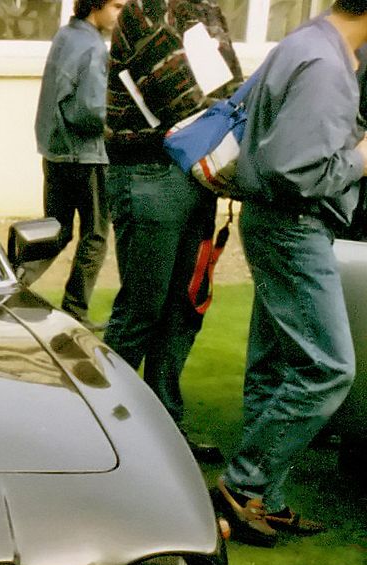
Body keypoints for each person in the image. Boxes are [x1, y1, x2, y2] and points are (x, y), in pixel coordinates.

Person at [214, 2, 367, 544]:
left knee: (277, 365)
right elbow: (294, 169)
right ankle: (243, 484)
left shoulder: (307, 41)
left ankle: (264, 497)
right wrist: (363, 157)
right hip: (293, 226)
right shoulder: (325, 62)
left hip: (279, 223)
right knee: (328, 369)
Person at [103, 0, 243, 461]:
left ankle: (165, 429)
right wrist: (238, 123)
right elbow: (184, 88)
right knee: (143, 307)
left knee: (183, 308)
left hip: (195, 171)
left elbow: (230, 83)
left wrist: (236, 113)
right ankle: (105, 428)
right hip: (151, 170)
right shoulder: (145, 11)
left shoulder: (204, 10)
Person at [22, 0, 127, 329]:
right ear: (96, 6)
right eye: (117, 6)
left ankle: (9, 279)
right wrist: (122, 118)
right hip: (86, 155)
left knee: (56, 229)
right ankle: (75, 308)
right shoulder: (95, 48)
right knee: (95, 234)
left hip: (54, 150)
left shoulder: (65, 36)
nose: (120, 14)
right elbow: (90, 112)